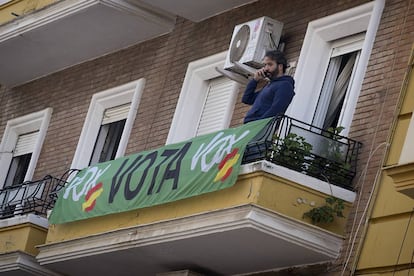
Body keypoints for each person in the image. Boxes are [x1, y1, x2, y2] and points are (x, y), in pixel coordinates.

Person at [242, 50, 295, 124]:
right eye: (265, 65)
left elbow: (276, 110)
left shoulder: (284, 86)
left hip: (258, 128)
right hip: (250, 127)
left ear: (280, 66)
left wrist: (259, 125)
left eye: (270, 64)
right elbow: (246, 99)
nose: (266, 68)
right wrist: (255, 80)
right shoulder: (269, 85)